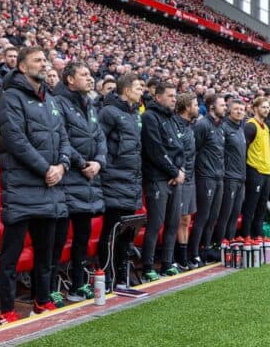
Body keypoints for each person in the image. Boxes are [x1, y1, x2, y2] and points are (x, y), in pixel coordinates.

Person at [0, 46, 71, 325]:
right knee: (11, 256)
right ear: (23, 67)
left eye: (45, 60)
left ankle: (42, 301)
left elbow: (64, 137)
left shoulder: (51, 100)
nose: (44, 64)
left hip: (49, 188)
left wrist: (62, 165)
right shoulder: (10, 97)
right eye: (37, 60)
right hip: (22, 188)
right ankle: (5, 311)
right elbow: (15, 140)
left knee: (46, 254)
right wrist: (46, 169)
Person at [52, 61, 106, 303]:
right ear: (70, 79)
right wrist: (83, 163)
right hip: (68, 179)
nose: (90, 78)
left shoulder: (91, 104)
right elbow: (62, 138)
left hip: (87, 182)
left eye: (90, 74)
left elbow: (100, 137)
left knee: (82, 237)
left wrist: (99, 162)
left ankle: (77, 285)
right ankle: (52, 288)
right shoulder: (58, 102)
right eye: (84, 74)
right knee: (58, 238)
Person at [97, 73, 143, 289]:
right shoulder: (108, 112)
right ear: (126, 90)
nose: (141, 91)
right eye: (137, 88)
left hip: (131, 181)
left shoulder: (134, 114)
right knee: (111, 230)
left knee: (126, 231)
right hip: (114, 180)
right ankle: (105, 275)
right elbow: (99, 142)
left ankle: (121, 275)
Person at [140, 82, 185, 281]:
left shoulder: (172, 119)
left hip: (174, 178)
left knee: (173, 222)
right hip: (157, 179)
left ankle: (167, 263)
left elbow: (180, 148)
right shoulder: (149, 117)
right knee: (155, 223)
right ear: (157, 97)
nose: (174, 99)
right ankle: (148, 266)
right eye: (170, 95)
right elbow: (155, 151)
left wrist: (180, 170)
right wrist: (175, 171)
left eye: (175, 96)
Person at [188, 93, 226, 266]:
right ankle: (194, 253)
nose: (225, 107)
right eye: (222, 105)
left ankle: (206, 248)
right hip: (205, 177)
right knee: (202, 217)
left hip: (219, 177)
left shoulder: (220, 126)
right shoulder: (202, 125)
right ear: (212, 107)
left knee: (213, 216)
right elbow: (193, 150)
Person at [214, 99, 246, 244]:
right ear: (229, 110)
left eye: (242, 109)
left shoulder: (240, 129)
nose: (239, 111)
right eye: (236, 109)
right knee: (225, 215)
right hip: (229, 177)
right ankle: (221, 244)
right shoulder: (224, 127)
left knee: (235, 214)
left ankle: (231, 242)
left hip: (241, 178)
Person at [173, 92, 198, 270]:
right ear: (187, 107)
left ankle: (184, 255)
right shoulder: (175, 125)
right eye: (195, 105)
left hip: (190, 178)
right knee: (178, 218)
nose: (197, 108)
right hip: (179, 178)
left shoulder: (190, 126)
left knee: (187, 218)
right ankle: (177, 257)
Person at [242, 97, 270, 239]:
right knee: (250, 207)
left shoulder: (265, 127)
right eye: (263, 107)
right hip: (255, 171)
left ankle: (257, 236)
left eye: (267, 107)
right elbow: (243, 149)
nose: (266, 109)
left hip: (266, 172)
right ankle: (247, 236)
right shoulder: (250, 126)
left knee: (261, 207)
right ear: (255, 108)